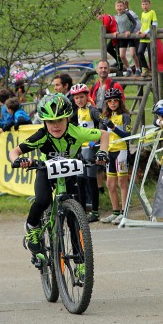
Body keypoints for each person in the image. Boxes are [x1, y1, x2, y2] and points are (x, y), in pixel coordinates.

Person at [8, 93, 108, 257]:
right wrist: (20, 160)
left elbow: (104, 134)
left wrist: (102, 153)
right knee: (42, 200)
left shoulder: (76, 132)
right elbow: (14, 152)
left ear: (68, 119)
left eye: (60, 120)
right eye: (50, 122)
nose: (56, 125)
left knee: (75, 217)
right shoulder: (41, 135)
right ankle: (32, 227)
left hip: (70, 170)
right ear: (44, 122)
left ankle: (80, 260)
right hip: (45, 170)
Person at [99, 88, 132, 225]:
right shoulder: (105, 116)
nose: (112, 103)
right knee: (110, 184)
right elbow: (101, 133)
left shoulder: (125, 116)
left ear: (119, 101)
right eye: (110, 101)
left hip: (121, 151)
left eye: (115, 100)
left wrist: (113, 127)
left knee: (121, 183)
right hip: (109, 152)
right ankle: (115, 212)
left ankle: (125, 213)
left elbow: (127, 135)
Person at [71, 83, 102, 222]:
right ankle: (82, 211)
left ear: (87, 96)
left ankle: (95, 212)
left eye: (81, 97)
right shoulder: (76, 111)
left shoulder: (92, 110)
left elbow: (102, 123)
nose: (79, 100)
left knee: (91, 180)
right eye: (76, 98)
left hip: (90, 148)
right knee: (80, 180)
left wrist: (95, 140)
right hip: (81, 149)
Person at [117, 0, 142, 77]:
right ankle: (128, 69)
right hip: (122, 37)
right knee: (121, 55)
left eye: (121, 6)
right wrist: (116, 31)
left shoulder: (128, 13)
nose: (119, 7)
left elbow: (134, 23)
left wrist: (130, 31)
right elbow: (117, 25)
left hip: (130, 36)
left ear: (124, 6)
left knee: (133, 54)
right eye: (118, 6)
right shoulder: (116, 16)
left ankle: (138, 68)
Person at [137, 0, 158, 78]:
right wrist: (140, 31)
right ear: (141, 5)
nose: (145, 6)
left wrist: (145, 32)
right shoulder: (142, 14)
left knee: (151, 54)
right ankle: (145, 68)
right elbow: (142, 25)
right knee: (139, 52)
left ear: (149, 5)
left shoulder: (152, 12)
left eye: (146, 4)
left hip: (150, 38)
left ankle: (153, 70)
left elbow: (154, 24)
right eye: (143, 4)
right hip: (143, 38)